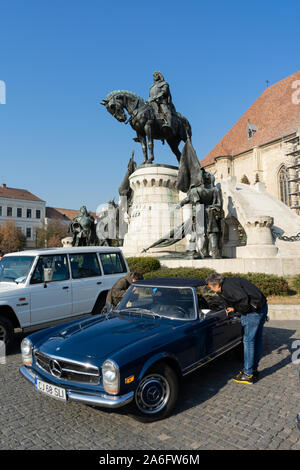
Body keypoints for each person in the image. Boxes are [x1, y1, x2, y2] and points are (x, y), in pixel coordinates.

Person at [205, 273, 268, 385]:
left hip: (252, 312)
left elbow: (243, 300)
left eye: (210, 287)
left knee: (248, 342)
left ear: (216, 285)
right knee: (256, 340)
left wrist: (240, 312)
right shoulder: (230, 282)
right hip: (261, 307)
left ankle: (248, 374)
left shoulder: (228, 288)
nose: (211, 289)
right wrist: (235, 307)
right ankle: (253, 370)